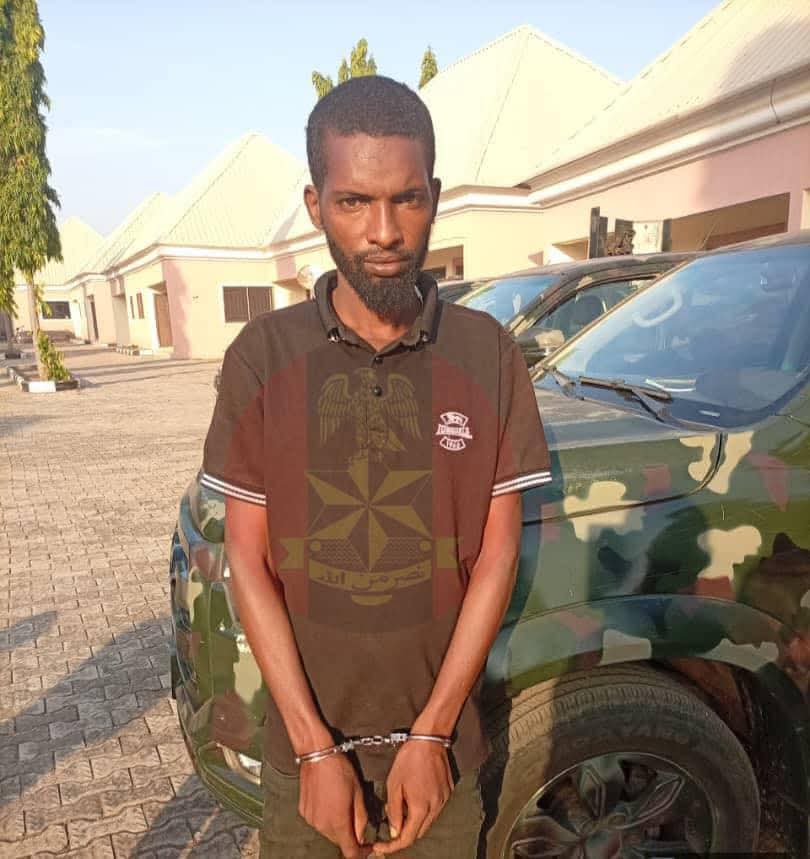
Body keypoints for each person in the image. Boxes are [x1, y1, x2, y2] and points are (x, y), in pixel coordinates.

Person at [201, 75, 551, 858]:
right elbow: (248, 560)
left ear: (435, 196)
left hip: (443, 760)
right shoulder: (263, 356)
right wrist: (314, 749)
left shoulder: (488, 355)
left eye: (407, 199)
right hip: (306, 763)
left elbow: (497, 557)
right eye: (355, 202)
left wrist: (432, 735)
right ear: (315, 204)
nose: (384, 231)